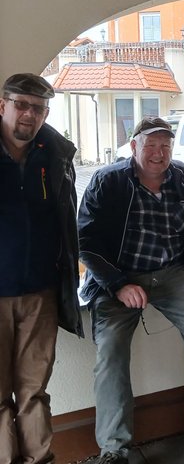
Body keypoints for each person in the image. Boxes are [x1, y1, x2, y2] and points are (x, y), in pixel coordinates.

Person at [78, 116, 184, 464]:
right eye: (150, 145)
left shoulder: (182, 176)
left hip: (173, 273)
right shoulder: (108, 181)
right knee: (110, 349)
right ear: (133, 147)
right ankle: (114, 447)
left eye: (165, 145)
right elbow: (84, 240)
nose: (158, 152)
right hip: (120, 276)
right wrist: (118, 283)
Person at [0, 72, 83, 464]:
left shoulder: (55, 156)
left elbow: (65, 223)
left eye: (38, 108)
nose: (29, 115)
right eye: (21, 105)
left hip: (40, 294)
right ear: (3, 106)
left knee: (34, 392)